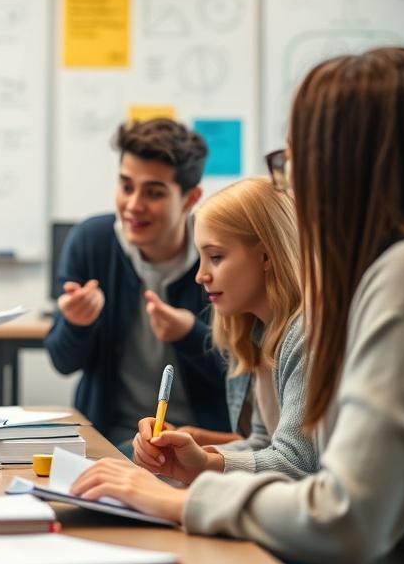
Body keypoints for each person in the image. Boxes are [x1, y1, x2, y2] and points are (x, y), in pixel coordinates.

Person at [69, 47, 404, 564]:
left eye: (294, 158)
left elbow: (345, 517)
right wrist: (206, 464)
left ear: (346, 164)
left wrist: (180, 498)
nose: (290, 181)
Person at [44, 118, 231, 447]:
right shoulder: (92, 242)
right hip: (110, 436)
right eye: (126, 186)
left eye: (154, 192)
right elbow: (62, 361)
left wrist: (191, 335)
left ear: (190, 198)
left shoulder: (218, 254)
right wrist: (76, 324)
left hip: (199, 440)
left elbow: (241, 374)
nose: (133, 205)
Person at [130, 177, 316, 482]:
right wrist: (194, 451)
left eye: (215, 257)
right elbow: (263, 443)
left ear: (267, 256)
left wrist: (205, 461)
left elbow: (298, 463)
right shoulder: (260, 333)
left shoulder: (305, 334)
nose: (201, 275)